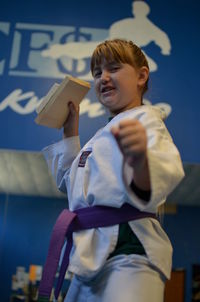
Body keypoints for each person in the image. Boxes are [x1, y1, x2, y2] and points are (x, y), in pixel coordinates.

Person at [41, 39, 184, 302]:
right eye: (97, 73)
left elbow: (161, 174)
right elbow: (69, 184)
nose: (103, 78)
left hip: (129, 253)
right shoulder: (100, 136)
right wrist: (70, 131)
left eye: (114, 68)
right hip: (88, 259)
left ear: (141, 76)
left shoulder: (146, 120)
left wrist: (139, 160)